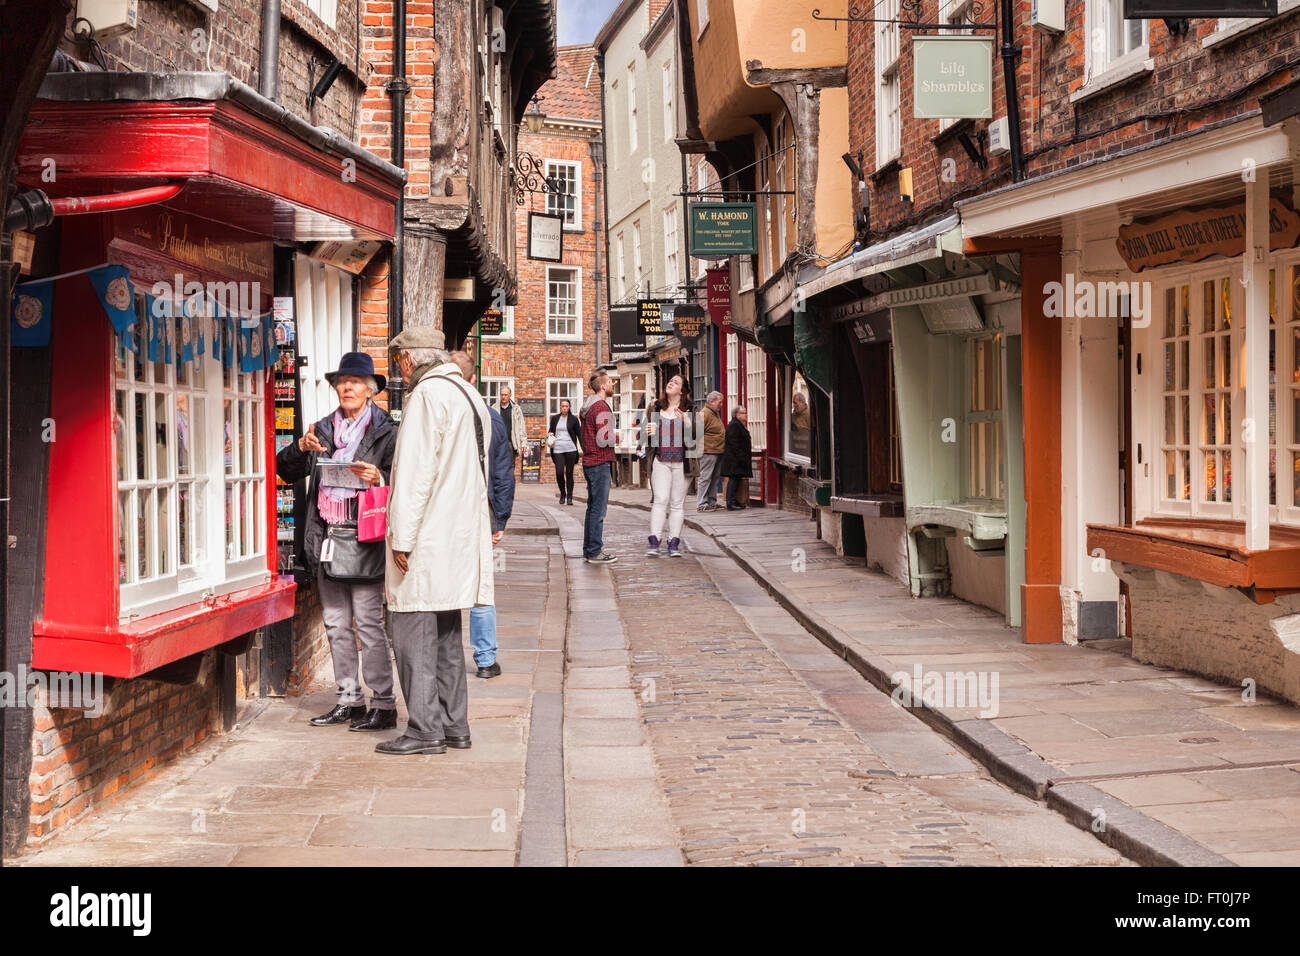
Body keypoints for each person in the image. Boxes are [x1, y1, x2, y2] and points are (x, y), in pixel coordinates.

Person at [378, 327, 494, 755]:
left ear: (409, 359)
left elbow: (413, 473)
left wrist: (401, 538)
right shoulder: (468, 393)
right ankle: (454, 725)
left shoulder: (426, 396)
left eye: (398, 362)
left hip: (427, 536)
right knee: (447, 636)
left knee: (412, 636)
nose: (398, 371)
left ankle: (424, 729)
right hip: (458, 534)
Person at [275, 351, 398, 731]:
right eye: (342, 382)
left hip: (364, 537)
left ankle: (384, 703)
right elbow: (284, 469)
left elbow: (404, 480)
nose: (348, 387)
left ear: (371, 389)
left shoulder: (387, 431)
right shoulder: (323, 428)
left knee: (368, 624)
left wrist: (379, 476)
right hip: (326, 535)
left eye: (356, 382)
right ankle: (349, 699)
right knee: (335, 623)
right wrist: (302, 447)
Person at [451, 350, 512, 680]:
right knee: (481, 587)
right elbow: (503, 470)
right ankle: (485, 659)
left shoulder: (439, 410)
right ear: (475, 380)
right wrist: (499, 517)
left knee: (444, 585)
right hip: (479, 511)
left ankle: (442, 658)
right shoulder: (490, 415)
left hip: (445, 512)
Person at [640, 374, 695, 557]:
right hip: (661, 460)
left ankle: (674, 542)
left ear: (683, 390)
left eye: (676, 382)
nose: (671, 383)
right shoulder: (655, 408)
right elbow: (643, 436)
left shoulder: (690, 410)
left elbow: (697, 438)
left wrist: (686, 422)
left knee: (677, 503)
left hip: (682, 463)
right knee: (660, 499)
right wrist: (647, 432)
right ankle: (654, 540)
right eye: (670, 381)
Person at [579, 369, 618, 564]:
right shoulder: (601, 406)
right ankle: (595, 551)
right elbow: (605, 439)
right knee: (599, 510)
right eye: (610, 381)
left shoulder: (587, 406)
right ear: (603, 386)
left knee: (591, 508)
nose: (612, 384)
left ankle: (589, 549)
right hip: (600, 461)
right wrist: (617, 436)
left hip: (589, 460)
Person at [547, 398, 582, 505]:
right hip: (558, 449)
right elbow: (551, 430)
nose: (564, 408)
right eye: (562, 406)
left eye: (566, 406)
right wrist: (548, 434)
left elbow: (579, 435)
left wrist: (584, 449)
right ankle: (563, 494)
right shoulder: (555, 418)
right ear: (560, 407)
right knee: (559, 473)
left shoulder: (574, 419)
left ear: (569, 407)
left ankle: (570, 497)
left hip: (570, 449)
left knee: (569, 473)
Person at [696, 390, 725, 512]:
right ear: (712, 401)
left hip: (717, 451)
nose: (721, 405)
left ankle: (712, 502)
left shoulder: (714, 413)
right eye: (720, 402)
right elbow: (696, 433)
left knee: (714, 478)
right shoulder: (705, 413)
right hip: (708, 451)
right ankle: (702, 504)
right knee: (705, 478)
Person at [721, 405, 752, 511]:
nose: (746, 414)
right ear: (738, 415)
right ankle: (730, 502)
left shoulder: (738, 424)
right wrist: (741, 457)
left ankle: (734, 500)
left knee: (736, 479)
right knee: (734, 479)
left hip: (736, 458)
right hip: (734, 459)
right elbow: (734, 444)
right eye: (744, 413)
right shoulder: (734, 425)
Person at [494, 384, 527, 467]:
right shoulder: (494, 408)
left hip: (510, 443)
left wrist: (523, 444)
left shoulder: (516, 409)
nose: (503, 397)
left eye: (505, 395)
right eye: (502, 394)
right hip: (498, 443)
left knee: (510, 467)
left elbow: (521, 427)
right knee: (498, 467)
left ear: (510, 395)